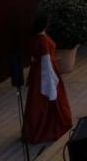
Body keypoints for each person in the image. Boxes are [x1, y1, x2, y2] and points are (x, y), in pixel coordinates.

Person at [23, 11, 72, 144]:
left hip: (37, 73)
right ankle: (47, 129)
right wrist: (51, 85)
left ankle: (35, 128)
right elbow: (45, 63)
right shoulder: (43, 40)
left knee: (35, 101)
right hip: (45, 74)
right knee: (47, 101)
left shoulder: (36, 38)